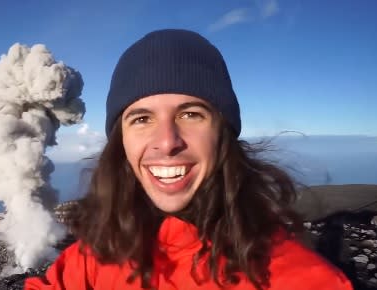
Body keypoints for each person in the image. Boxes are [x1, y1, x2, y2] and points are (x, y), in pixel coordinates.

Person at [24, 29, 353, 290]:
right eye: (141, 119)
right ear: (120, 141)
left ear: (223, 132)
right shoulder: (96, 255)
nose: (167, 142)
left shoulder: (300, 280)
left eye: (191, 114)